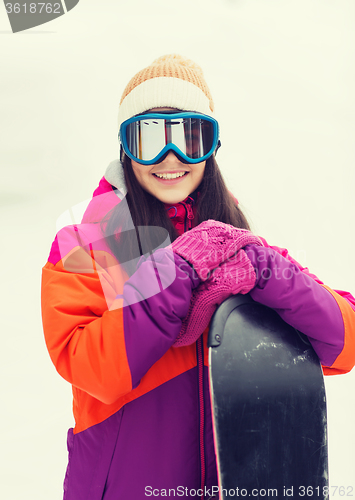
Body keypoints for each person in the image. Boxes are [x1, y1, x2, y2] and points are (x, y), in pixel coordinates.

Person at [41, 54, 355, 500]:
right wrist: (177, 273)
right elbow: (90, 366)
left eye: (190, 136)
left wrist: (269, 272)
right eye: (149, 138)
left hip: (233, 482)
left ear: (211, 146)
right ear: (125, 147)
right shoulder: (87, 236)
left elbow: (344, 340)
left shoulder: (232, 237)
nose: (171, 157)